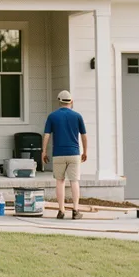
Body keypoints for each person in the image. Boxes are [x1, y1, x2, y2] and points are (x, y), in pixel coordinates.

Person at [42, 90, 88, 219]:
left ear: (59, 101)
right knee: (74, 181)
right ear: (71, 101)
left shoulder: (52, 116)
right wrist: (85, 151)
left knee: (59, 181)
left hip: (58, 154)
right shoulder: (77, 116)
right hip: (74, 153)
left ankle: (61, 210)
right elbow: (84, 136)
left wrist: (44, 151)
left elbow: (46, 135)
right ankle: (75, 210)